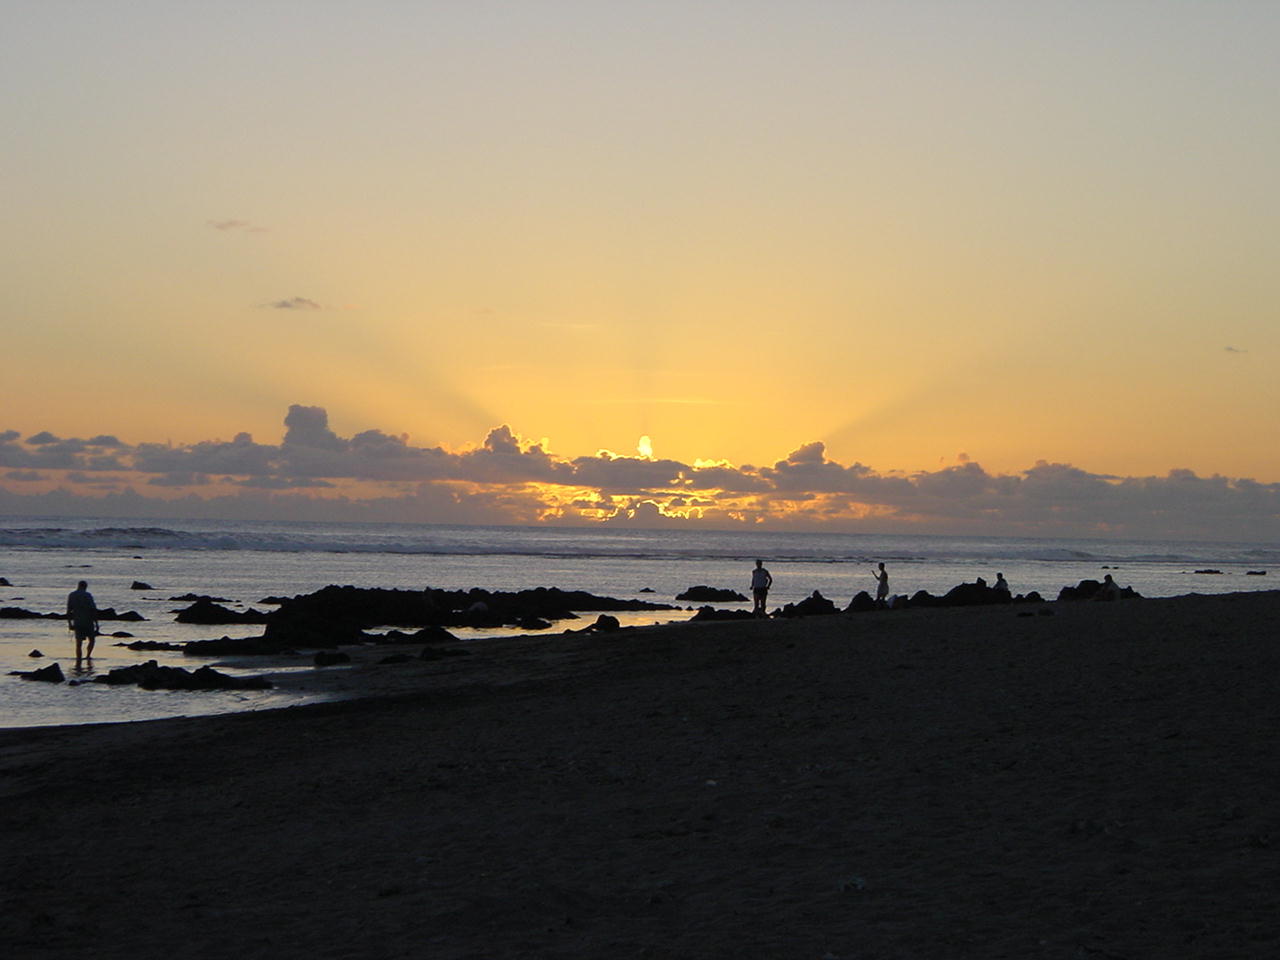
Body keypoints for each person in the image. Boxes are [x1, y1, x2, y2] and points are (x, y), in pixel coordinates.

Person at [66, 580, 99, 662]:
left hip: (77, 621)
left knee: (78, 643)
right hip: (88, 621)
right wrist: (96, 623)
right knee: (92, 640)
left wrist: (70, 623)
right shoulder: (88, 595)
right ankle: (88, 656)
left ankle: (79, 659)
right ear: (85, 587)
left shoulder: (72, 595)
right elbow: (93, 610)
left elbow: (69, 611)